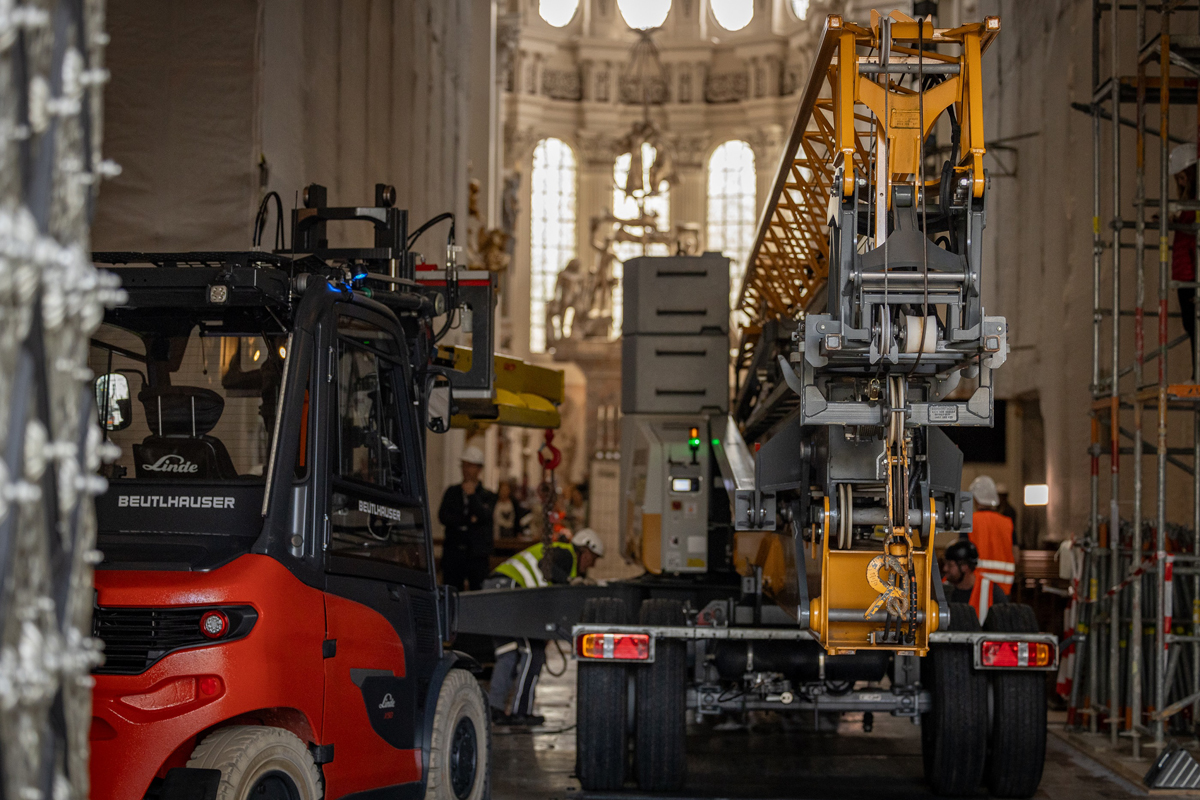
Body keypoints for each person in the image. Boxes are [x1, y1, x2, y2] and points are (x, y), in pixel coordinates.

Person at [483, 529, 606, 725]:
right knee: (534, 652)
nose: (592, 564)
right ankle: (520, 712)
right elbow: (545, 565)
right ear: (584, 549)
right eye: (592, 558)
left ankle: (494, 709)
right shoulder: (565, 553)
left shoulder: (563, 556)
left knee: (508, 653)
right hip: (510, 590)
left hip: (495, 589)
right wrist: (568, 582)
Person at [437, 444, 496, 591]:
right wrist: (468, 521)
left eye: (470, 466)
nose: (466, 470)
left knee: (478, 591)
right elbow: (444, 516)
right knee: (451, 590)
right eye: (464, 465)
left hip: (476, 554)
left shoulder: (487, 495)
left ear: (479, 469)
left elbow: (484, 516)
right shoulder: (452, 492)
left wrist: (472, 496)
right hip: (454, 552)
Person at [1169, 143, 1199, 372]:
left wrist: (1175, 223)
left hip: (1191, 273)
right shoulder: (1190, 205)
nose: (1180, 183)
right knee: (1191, 325)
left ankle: (1197, 374)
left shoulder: (1195, 204)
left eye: (1181, 177)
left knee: (1195, 325)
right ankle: (1196, 373)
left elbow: (1193, 232)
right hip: (1185, 272)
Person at [967, 474, 1016, 599]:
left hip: (976, 587)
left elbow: (963, 555)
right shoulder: (1007, 523)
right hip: (1004, 587)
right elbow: (1016, 553)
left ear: (976, 499)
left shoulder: (970, 521)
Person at [943, 539, 1007, 623]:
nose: (945, 568)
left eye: (950, 565)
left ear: (965, 567)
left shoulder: (992, 591)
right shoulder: (941, 588)